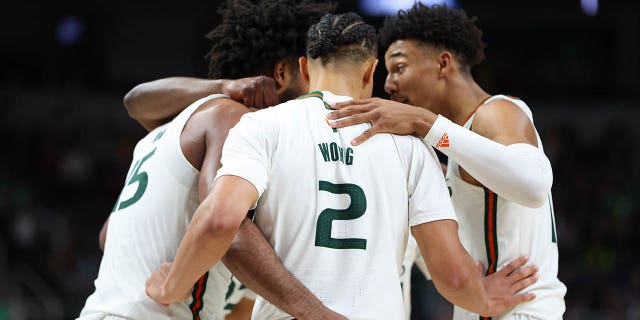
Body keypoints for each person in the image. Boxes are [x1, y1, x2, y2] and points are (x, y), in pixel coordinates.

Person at [145, 12, 539, 319]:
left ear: (303, 68)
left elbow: (218, 221)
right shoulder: (411, 147)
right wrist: (483, 298)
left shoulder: (261, 126)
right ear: (370, 71)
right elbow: (451, 274)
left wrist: (173, 286)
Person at [78, 0, 344, 319]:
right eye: (312, 79)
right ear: (283, 73)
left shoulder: (165, 131)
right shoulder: (234, 119)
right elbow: (225, 227)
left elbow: (109, 235)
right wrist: (320, 315)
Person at [326, 4, 567, 319]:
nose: (388, 85)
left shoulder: (495, 112)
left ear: (443, 64)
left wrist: (426, 123)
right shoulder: (460, 145)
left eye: (399, 68)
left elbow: (534, 185)